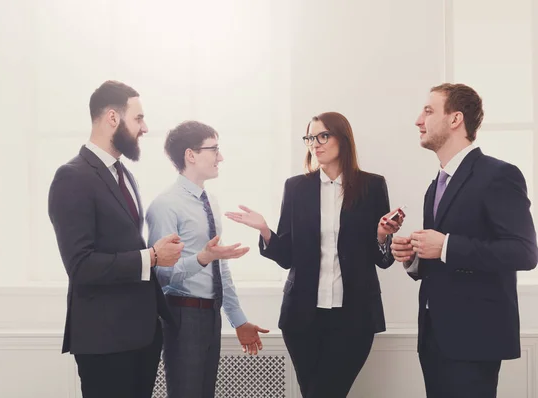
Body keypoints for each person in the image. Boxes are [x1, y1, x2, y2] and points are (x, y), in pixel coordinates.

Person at [225, 112, 403, 398]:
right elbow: (286, 256)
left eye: (323, 136)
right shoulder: (296, 188)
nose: (314, 144)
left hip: (354, 316)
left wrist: (383, 235)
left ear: (343, 140)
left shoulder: (371, 186)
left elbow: (382, 259)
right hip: (302, 317)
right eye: (310, 137)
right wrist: (265, 230)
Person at [391, 83, 538, 398]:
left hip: (476, 339)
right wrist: (413, 257)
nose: (419, 120)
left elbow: (524, 253)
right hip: (433, 336)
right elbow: (438, 260)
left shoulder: (500, 175)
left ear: (455, 119)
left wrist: (445, 246)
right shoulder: (435, 186)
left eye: (429, 111)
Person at [48, 80, 183, 398]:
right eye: (138, 118)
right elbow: (81, 266)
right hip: (105, 342)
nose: (145, 127)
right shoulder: (72, 177)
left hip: (141, 337)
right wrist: (151, 256)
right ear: (112, 117)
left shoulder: (125, 175)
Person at [146, 120, 269, 398]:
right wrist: (202, 258)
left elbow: (219, 266)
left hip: (210, 315)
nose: (220, 157)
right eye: (214, 149)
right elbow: (161, 274)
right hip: (181, 315)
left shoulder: (210, 200)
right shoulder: (165, 205)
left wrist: (237, 319)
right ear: (191, 155)